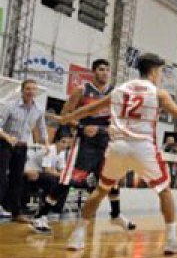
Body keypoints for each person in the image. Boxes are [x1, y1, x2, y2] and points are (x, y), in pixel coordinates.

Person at [58, 53, 177, 253]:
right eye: (160, 71)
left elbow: (89, 110)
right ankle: (171, 240)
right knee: (164, 191)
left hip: (118, 147)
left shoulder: (120, 90)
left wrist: (66, 119)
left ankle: (77, 236)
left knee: (100, 190)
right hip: (143, 148)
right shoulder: (158, 94)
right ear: (154, 71)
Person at [51, 60, 137, 232]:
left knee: (111, 180)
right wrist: (82, 127)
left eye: (107, 69)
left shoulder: (115, 94)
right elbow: (65, 114)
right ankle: (42, 215)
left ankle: (115, 215)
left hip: (105, 141)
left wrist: (107, 130)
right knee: (70, 179)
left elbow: (120, 123)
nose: (104, 72)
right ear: (94, 72)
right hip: (84, 142)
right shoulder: (82, 90)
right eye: (101, 69)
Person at [0, 79, 50, 222]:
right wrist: (7, 137)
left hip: (22, 147)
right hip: (5, 144)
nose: (31, 92)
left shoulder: (38, 109)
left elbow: (42, 128)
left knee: (17, 180)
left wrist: (47, 144)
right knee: (1, 178)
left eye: (33, 89)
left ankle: (16, 212)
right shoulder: (10, 106)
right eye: (28, 89)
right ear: (22, 91)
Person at [26, 132, 73, 233]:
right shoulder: (50, 150)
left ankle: (56, 210)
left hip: (43, 174)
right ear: (56, 142)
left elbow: (62, 169)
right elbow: (47, 169)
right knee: (53, 181)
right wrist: (62, 175)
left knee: (65, 182)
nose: (65, 145)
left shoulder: (61, 152)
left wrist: (65, 176)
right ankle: (45, 210)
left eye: (67, 143)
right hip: (32, 172)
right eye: (63, 142)